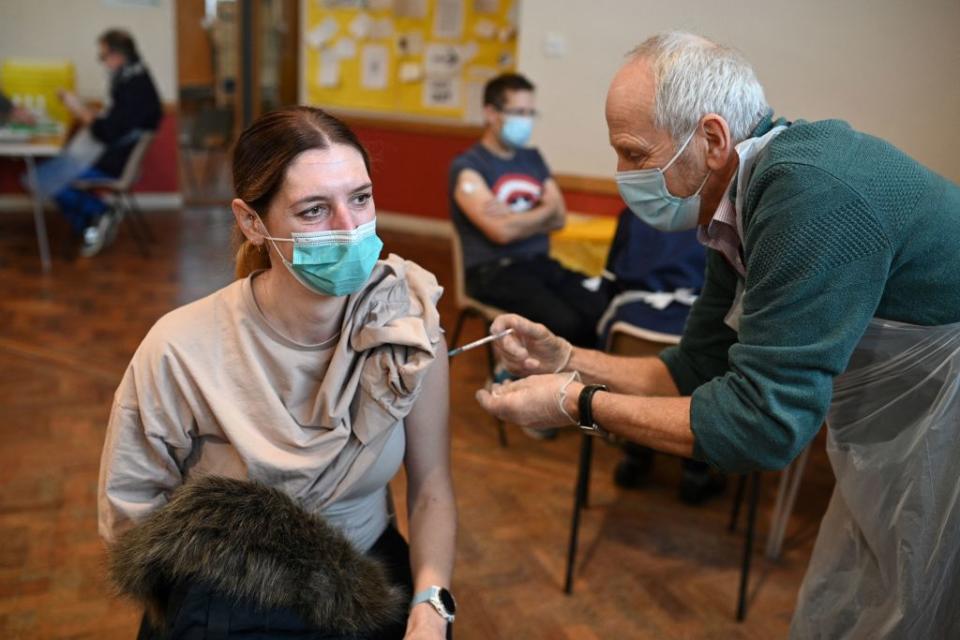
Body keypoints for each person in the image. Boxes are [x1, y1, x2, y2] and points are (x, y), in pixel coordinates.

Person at [476, 32, 960, 638]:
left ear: (710, 140)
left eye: (631, 152)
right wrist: (569, 358)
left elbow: (762, 424)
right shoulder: (736, 198)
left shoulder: (809, 194)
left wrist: (575, 403)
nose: (622, 174)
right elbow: (699, 364)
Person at [98, 107, 456, 639]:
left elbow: (431, 489)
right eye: (314, 210)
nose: (349, 228)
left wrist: (432, 601)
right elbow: (131, 514)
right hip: (234, 589)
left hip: (368, 575)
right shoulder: (179, 348)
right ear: (252, 222)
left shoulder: (406, 326)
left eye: (360, 198)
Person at [449, 72, 605, 350]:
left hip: (538, 263)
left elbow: (559, 218)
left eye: (531, 113)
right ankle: (547, 387)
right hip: (494, 272)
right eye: (519, 112)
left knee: (601, 306)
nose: (526, 120)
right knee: (566, 324)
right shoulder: (469, 168)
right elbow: (501, 233)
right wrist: (542, 209)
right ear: (491, 113)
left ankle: (585, 385)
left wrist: (515, 217)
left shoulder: (532, 158)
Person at [597, 207, 722, 504]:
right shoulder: (717, 216)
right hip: (693, 328)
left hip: (629, 327)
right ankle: (696, 471)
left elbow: (610, 281)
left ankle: (634, 453)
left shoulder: (633, 212)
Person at [38, 29, 162, 257]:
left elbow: (106, 132)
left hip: (114, 163)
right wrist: (90, 112)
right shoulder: (136, 78)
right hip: (117, 157)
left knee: (47, 179)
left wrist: (78, 109)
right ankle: (93, 225)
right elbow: (116, 122)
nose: (102, 62)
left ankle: (99, 214)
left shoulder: (133, 87)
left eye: (103, 56)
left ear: (118, 55)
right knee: (46, 176)